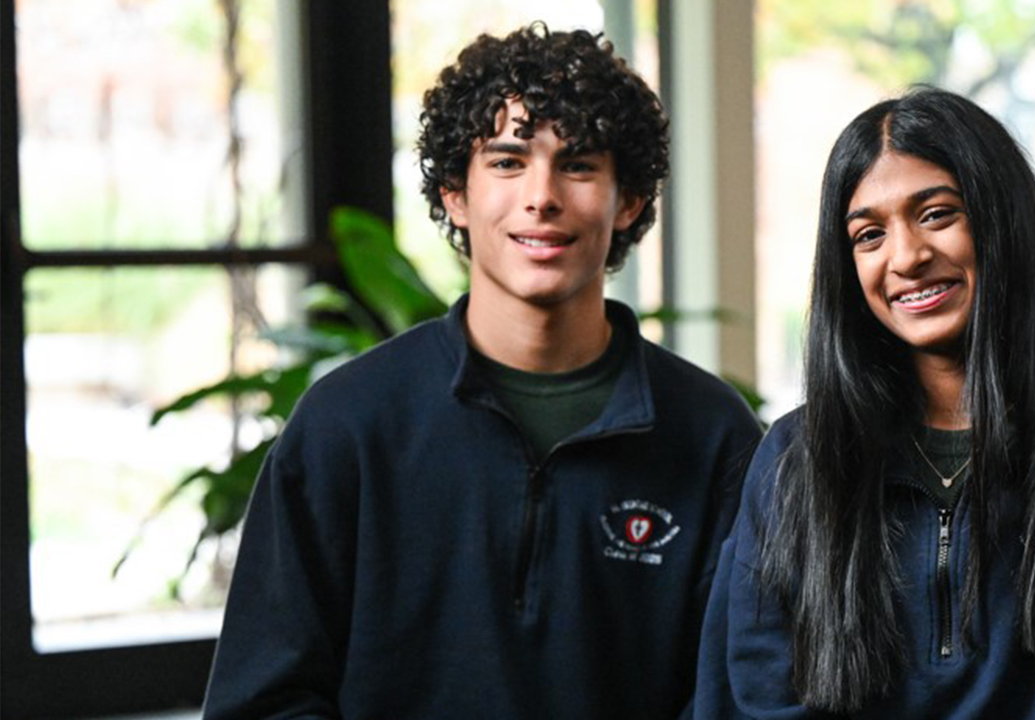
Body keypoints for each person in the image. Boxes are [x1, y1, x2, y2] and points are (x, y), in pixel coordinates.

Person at [203, 23, 761, 719]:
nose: (541, 196)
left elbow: (737, 698)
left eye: (579, 164)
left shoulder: (714, 437)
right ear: (454, 197)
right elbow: (263, 700)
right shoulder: (347, 423)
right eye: (506, 162)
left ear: (631, 202)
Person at [694, 87, 1035, 719]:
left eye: (936, 215)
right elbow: (753, 700)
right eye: (869, 234)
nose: (906, 257)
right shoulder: (797, 464)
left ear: (1001, 221)